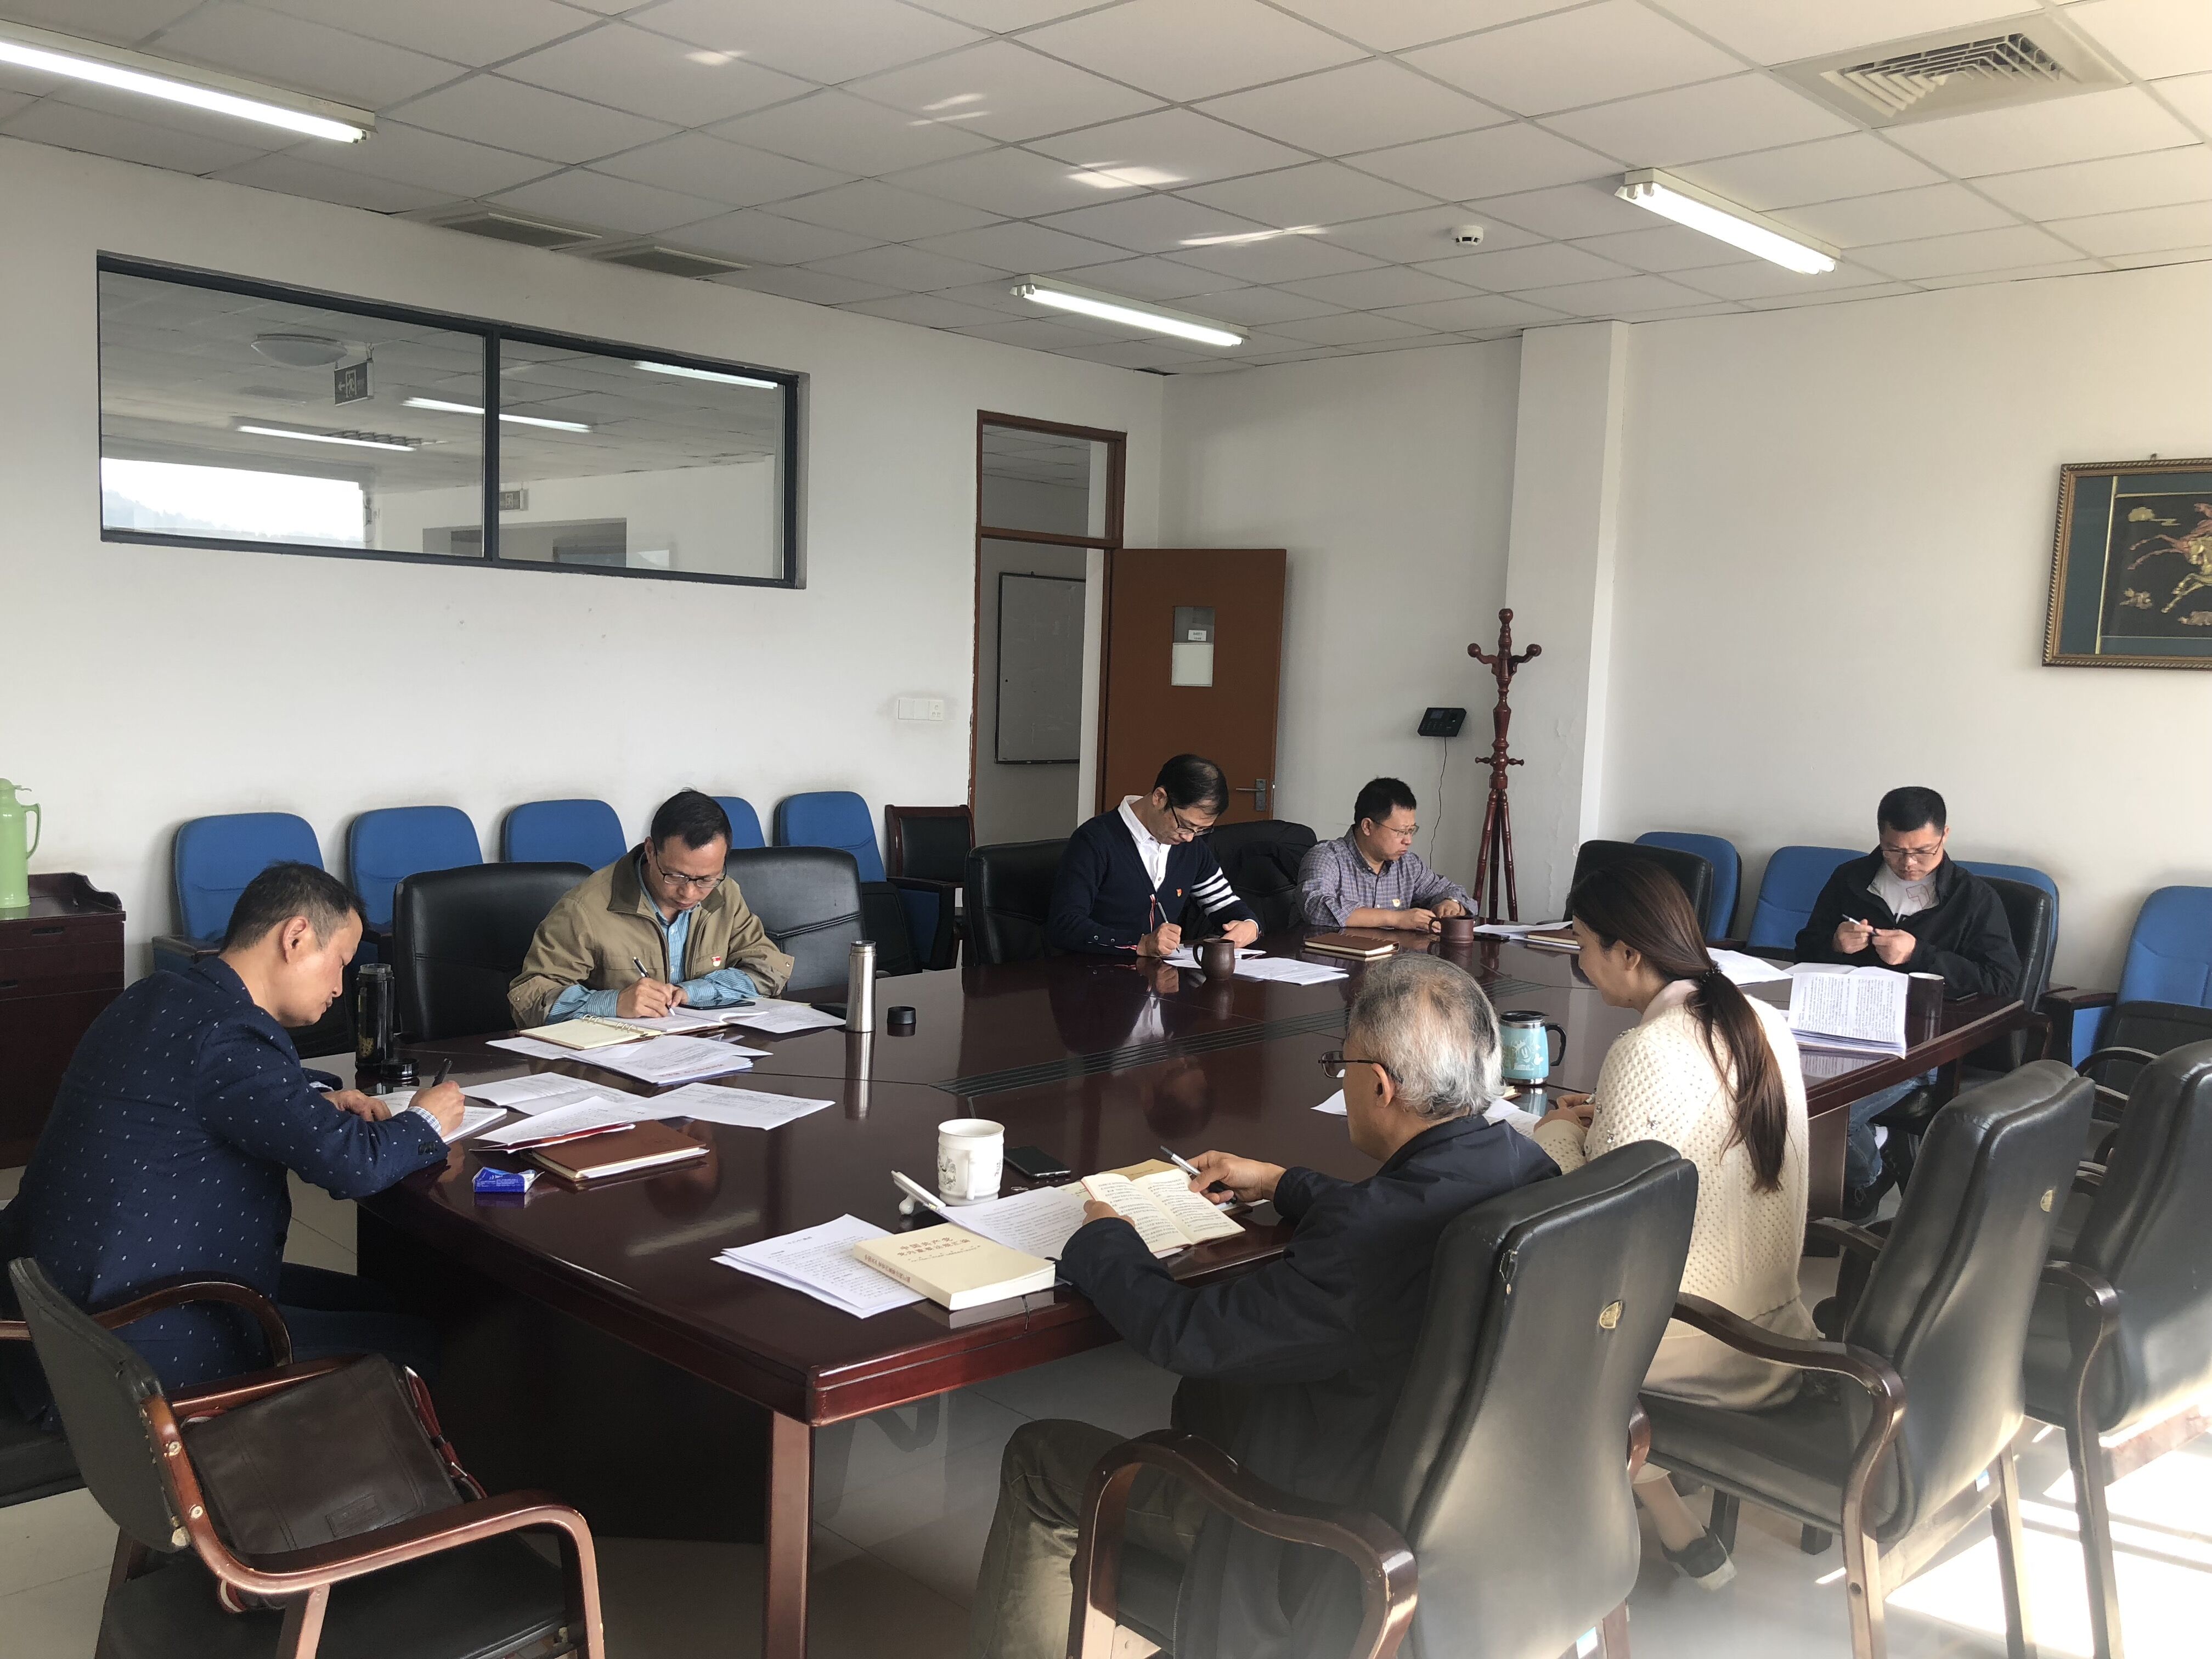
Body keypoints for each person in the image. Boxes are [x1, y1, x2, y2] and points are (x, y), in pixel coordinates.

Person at [968, 955, 1556, 1659]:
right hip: (1462, 1512)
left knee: (1036, 1458)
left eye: (1341, 1065)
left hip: (1305, 1533)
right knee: (1209, 1403)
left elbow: (1186, 1334)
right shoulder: (1523, 1166)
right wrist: (1283, 1182)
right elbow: (1405, 1212)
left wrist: (1105, 1239)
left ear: (1380, 1085)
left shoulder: (1366, 1239)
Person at [0, 863, 466, 1418]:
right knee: (421, 1346)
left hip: (59, 1314)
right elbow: (353, 1165)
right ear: (296, 938)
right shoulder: (230, 1033)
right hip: (123, 1350)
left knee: (377, 1300)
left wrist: (314, 1097)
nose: (340, 987)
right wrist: (426, 1120)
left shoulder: (162, 995)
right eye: (340, 963)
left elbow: (213, 1087)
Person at [1532, 859, 1815, 1590]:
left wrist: (1556, 1134)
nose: (1581, 963)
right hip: (1779, 1325)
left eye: (1583, 946)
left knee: (1520, 1330)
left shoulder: (1645, 1050)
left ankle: (1582, 1534)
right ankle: (1668, 1511)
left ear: (1628, 952)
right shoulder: (1763, 1022)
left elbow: (1597, 1219)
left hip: (1698, 1341)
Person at [1793, 787, 2021, 1214]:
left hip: (1921, 1042)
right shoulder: (1850, 879)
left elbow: (2003, 982)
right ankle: (1857, 1166)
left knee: (1826, 1113)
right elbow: (1805, 950)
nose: (1909, 863)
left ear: (1945, 836)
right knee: (1775, 1096)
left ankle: (1866, 1178)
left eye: (1922, 851)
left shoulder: (1973, 898)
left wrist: (1920, 955)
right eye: (1895, 850)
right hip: (1839, 1026)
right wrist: (1834, 944)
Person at [510, 788, 794, 1027]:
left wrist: (695, 992)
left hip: (706, 1047)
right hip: (616, 1057)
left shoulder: (724, 892)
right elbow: (530, 999)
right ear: (650, 851)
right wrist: (612, 1003)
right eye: (676, 876)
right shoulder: (585, 909)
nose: (690, 893)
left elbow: (768, 966)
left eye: (706, 879)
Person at [1047, 754, 1261, 957]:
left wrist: (1249, 925)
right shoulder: (1095, 840)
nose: (1189, 838)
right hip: (1094, 975)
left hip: (1160, 977)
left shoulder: (1191, 848)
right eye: (1185, 825)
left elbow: (1225, 905)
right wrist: (1141, 944)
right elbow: (1064, 925)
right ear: (1160, 798)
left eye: (1201, 830)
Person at [1298, 776, 1473, 933]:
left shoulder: (1407, 865)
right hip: (1336, 958)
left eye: (1412, 831)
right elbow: (1314, 906)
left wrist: (1451, 904)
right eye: (1401, 832)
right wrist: (1396, 918)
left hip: (1394, 958)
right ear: (1368, 827)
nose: (1408, 840)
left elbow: (1454, 891)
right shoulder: (1327, 857)